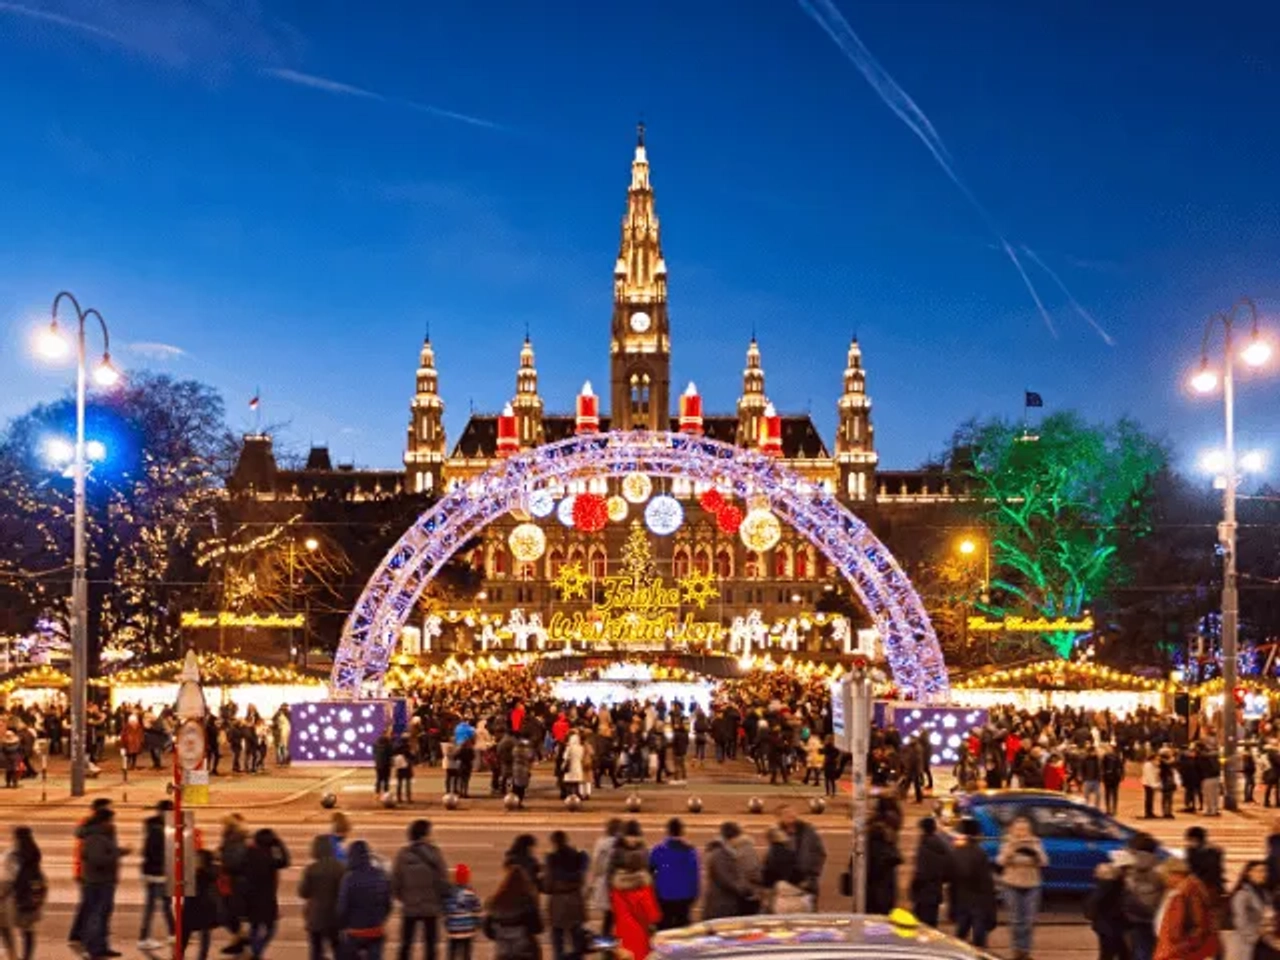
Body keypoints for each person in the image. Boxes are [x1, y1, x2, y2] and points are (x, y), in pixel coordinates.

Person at [391, 819, 450, 960]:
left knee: (406, 944)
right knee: (430, 945)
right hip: (431, 906)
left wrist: (404, 898)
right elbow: (443, 879)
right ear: (424, 835)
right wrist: (440, 899)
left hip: (410, 906)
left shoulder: (403, 854)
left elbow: (395, 882)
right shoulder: (435, 853)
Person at [80, 803, 128, 960]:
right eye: (110, 820)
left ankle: (101, 946)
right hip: (99, 882)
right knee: (97, 916)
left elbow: (105, 852)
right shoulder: (96, 837)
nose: (112, 824)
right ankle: (94, 948)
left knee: (102, 915)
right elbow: (97, 859)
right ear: (103, 821)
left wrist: (120, 851)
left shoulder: (100, 835)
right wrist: (116, 855)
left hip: (101, 881)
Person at [996, 817, 1047, 960]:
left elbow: (1044, 862)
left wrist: (1035, 850)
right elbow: (1000, 861)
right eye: (1018, 829)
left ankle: (1026, 951)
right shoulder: (1008, 841)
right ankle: (1017, 951)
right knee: (1016, 920)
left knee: (1029, 920)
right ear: (1012, 830)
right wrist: (1011, 849)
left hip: (1032, 885)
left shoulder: (1035, 842)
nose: (1021, 833)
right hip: (1012, 884)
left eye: (1025, 830)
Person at [609, 822, 660, 960]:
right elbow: (650, 908)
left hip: (625, 928)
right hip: (640, 929)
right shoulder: (644, 882)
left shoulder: (617, 883)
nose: (632, 839)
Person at [338, 840, 393, 960]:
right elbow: (388, 904)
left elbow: (342, 907)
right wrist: (379, 919)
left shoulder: (349, 879)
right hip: (376, 930)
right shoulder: (380, 875)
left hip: (355, 931)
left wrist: (343, 925)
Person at [1154, 858, 1218, 960]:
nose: (1164, 880)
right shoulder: (1189, 888)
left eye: (1165, 875)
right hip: (1184, 950)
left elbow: (1178, 928)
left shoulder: (1185, 892)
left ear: (1175, 874)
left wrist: (1177, 950)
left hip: (1179, 952)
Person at [244, 827, 290, 960]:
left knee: (254, 926)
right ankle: (256, 952)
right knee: (271, 928)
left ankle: (255, 952)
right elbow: (285, 861)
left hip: (251, 897)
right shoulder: (270, 857)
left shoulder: (250, 853)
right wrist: (278, 843)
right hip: (268, 898)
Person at [949, 817, 996, 949]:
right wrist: (991, 911)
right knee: (979, 941)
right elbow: (986, 884)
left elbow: (951, 880)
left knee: (960, 936)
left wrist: (952, 906)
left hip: (962, 900)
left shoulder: (956, 852)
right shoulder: (979, 854)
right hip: (979, 902)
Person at [0, 826, 44, 960]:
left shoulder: (12, 854)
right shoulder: (34, 852)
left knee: (4, 926)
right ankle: (27, 957)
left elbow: (8, 878)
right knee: (28, 930)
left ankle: (12, 954)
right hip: (29, 898)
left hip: (12, 899)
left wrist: (1, 894)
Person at [299, 834, 346, 960]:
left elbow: (303, 892)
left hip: (315, 917)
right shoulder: (341, 868)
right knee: (338, 948)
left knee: (316, 950)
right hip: (334, 916)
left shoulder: (311, 869)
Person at [484, 861, 542, 960]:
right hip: (525, 952)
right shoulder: (527, 902)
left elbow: (488, 930)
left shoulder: (495, 903)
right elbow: (538, 928)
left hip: (503, 952)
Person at [544, 831, 588, 960]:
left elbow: (548, 885)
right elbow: (581, 879)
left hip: (558, 902)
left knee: (558, 941)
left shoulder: (552, 858)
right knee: (577, 940)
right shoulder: (577, 856)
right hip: (575, 900)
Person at [138, 799, 175, 952]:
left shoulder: (153, 826)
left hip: (154, 872)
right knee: (156, 906)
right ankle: (144, 938)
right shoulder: (158, 830)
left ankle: (173, 933)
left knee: (162, 905)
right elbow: (156, 853)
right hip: (157, 873)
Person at [649, 818, 699, 930]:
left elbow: (649, 872)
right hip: (685, 897)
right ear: (682, 832)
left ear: (668, 831)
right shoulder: (690, 851)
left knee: (663, 930)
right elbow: (694, 876)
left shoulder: (659, 850)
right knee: (682, 931)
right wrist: (693, 895)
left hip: (664, 896)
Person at [1124, 833, 1166, 960]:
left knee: (1137, 948)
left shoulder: (1130, 866)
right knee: (1151, 948)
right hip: (1153, 915)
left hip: (1134, 913)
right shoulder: (1160, 866)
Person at [774, 805, 826, 906]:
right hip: (785, 887)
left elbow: (820, 853)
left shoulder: (808, 831)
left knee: (808, 915)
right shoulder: (776, 834)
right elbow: (772, 860)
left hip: (807, 884)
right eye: (785, 813)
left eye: (792, 812)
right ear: (779, 817)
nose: (790, 815)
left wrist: (812, 875)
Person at [703, 823, 756, 920]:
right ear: (733, 838)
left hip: (725, 904)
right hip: (721, 907)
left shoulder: (726, 853)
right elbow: (728, 880)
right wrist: (747, 890)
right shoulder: (720, 855)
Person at [909, 817, 952, 928]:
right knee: (931, 923)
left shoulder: (925, 846)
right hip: (935, 890)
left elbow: (921, 871)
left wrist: (914, 886)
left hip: (924, 892)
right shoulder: (941, 845)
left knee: (922, 925)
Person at [1085, 852, 1129, 960]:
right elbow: (1097, 902)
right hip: (1110, 925)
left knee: (1116, 952)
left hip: (1106, 924)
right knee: (1112, 952)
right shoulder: (1112, 884)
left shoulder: (1108, 882)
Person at [1229, 861, 1271, 960]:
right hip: (1247, 941)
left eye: (1264, 871)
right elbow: (1240, 919)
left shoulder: (1265, 894)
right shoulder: (1242, 894)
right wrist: (1253, 937)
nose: (1262, 874)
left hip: (1264, 940)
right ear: (1249, 873)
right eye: (1259, 871)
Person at [588, 820, 622, 937]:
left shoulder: (601, 843)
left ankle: (605, 949)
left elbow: (596, 864)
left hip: (604, 884)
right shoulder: (623, 844)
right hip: (620, 884)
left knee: (607, 921)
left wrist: (596, 879)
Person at [443, 864, 483, 960]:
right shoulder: (470, 893)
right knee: (466, 953)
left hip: (453, 929)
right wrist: (477, 924)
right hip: (468, 929)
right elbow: (477, 910)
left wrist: (447, 923)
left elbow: (446, 910)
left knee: (452, 952)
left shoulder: (450, 894)